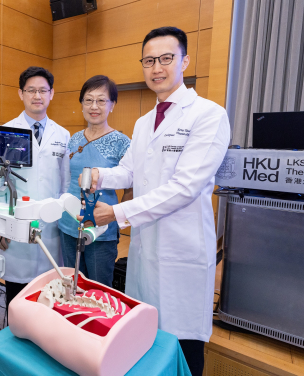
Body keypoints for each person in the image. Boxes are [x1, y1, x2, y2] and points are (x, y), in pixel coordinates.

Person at [78, 27, 230, 376]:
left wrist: (117, 212)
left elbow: (185, 187)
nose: (156, 68)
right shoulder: (146, 121)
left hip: (182, 251)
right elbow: (129, 171)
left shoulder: (208, 115)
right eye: (149, 60)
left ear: (184, 61)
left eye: (166, 59)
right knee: (146, 338)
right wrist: (101, 175)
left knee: (182, 346)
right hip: (147, 250)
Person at [0, 66, 71, 310]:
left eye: (43, 90)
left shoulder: (63, 135)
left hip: (51, 223)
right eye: (31, 90)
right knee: (17, 294)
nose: (37, 96)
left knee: (49, 293)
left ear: (52, 94)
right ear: (20, 93)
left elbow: (65, 181)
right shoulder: (4, 132)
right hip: (17, 221)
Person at [57, 75, 132, 287]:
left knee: (98, 287)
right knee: (72, 284)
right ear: (81, 104)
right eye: (88, 100)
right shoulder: (73, 139)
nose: (94, 106)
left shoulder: (122, 142)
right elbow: (68, 179)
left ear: (112, 105)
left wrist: (119, 217)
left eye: (101, 100)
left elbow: (131, 186)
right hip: (69, 223)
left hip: (101, 227)